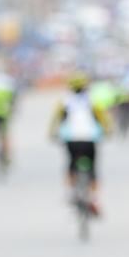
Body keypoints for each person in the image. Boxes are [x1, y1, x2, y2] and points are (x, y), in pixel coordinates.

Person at [49, 73, 113, 215]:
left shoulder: (64, 101)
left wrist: (52, 134)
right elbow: (104, 118)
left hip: (71, 140)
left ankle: (70, 191)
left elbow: (55, 120)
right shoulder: (93, 100)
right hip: (90, 139)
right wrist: (109, 132)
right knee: (93, 169)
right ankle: (95, 199)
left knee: (70, 164)